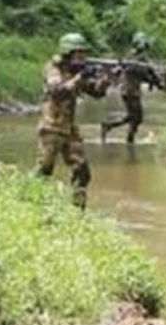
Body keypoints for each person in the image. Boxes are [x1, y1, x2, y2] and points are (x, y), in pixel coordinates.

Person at [37, 33, 112, 209]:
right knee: (44, 170)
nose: (83, 57)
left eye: (84, 54)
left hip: (70, 129)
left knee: (82, 172)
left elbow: (96, 93)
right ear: (67, 52)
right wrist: (79, 77)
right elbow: (57, 91)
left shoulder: (76, 71)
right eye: (79, 54)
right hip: (51, 127)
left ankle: (77, 211)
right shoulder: (53, 68)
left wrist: (104, 81)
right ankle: (32, 205)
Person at [101, 32, 157, 144]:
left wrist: (154, 79)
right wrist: (151, 78)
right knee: (136, 117)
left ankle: (123, 135)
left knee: (134, 117)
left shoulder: (136, 57)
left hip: (131, 91)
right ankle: (113, 128)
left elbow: (148, 73)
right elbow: (141, 73)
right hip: (130, 91)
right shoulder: (133, 58)